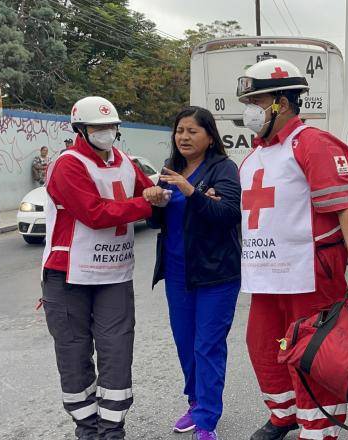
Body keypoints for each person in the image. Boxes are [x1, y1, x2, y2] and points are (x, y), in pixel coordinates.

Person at [236, 58, 348, 440]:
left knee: (314, 352)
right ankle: (285, 416)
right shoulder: (255, 154)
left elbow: (345, 208)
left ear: (282, 101)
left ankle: (319, 429)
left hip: (310, 270)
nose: (250, 109)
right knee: (263, 346)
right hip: (266, 273)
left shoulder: (312, 143)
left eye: (257, 100)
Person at [40, 96, 156, 440]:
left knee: (117, 351)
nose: (107, 133)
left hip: (114, 273)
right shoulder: (68, 164)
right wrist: (146, 204)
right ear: (81, 130)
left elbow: (146, 189)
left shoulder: (123, 160)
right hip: (67, 275)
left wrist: (160, 195)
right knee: (74, 354)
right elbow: (93, 213)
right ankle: (87, 430)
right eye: (99, 128)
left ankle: (112, 429)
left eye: (112, 127)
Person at [143, 106, 242, 440]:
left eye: (192, 131)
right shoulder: (170, 169)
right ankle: (195, 401)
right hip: (177, 273)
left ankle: (207, 420)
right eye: (179, 130)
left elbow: (227, 214)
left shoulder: (223, 169)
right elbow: (159, 222)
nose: (183, 137)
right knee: (186, 344)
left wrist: (191, 192)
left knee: (208, 346)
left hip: (216, 275)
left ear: (210, 136)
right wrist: (155, 203)